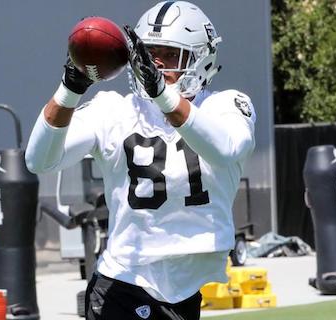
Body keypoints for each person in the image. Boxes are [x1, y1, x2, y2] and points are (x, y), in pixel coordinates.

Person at [25, 1, 256, 319]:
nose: (157, 64)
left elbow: (224, 148)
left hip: (185, 292)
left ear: (202, 57)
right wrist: (69, 89)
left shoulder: (227, 105)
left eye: (170, 54)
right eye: (150, 53)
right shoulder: (114, 109)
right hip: (125, 284)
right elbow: (40, 160)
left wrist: (163, 94)